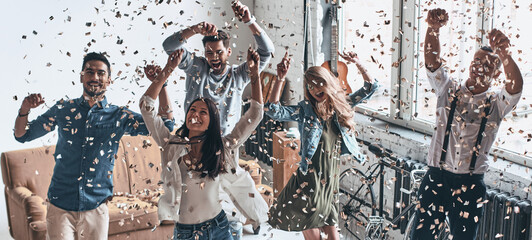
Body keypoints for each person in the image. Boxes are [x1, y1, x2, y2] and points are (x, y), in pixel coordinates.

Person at [13, 52, 175, 240]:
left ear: (109, 80)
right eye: (89, 72)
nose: (95, 77)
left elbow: (165, 126)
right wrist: (24, 109)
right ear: (81, 76)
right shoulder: (63, 110)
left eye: (101, 73)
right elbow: (22, 135)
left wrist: (161, 84)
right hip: (60, 204)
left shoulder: (118, 116)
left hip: (97, 205)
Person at [161, 1, 274, 236]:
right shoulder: (196, 67)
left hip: (225, 146)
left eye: (219, 52)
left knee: (231, 211)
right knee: (196, 203)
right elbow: (169, 46)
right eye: (209, 52)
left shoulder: (239, 74)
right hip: (193, 144)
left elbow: (266, 52)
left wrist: (249, 21)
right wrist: (195, 30)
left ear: (229, 52)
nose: (214, 57)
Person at [409, 8, 523, 240]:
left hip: (470, 185)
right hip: (436, 178)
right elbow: (432, 63)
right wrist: (432, 29)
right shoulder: (448, 90)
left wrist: (505, 56)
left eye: (488, 65)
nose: (479, 66)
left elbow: (515, 87)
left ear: (495, 75)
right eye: (477, 60)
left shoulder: (496, 104)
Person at [140, 48, 267, 240]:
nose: (195, 115)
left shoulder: (223, 147)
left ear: (212, 122)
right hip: (186, 233)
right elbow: (146, 107)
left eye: (203, 112)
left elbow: (255, 114)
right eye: (192, 110)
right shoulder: (171, 145)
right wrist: (167, 70)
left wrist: (255, 73)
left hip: (220, 227)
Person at [266, 52, 379, 240]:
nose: (315, 89)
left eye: (319, 84)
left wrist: (358, 62)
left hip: (330, 182)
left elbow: (371, 87)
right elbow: (274, 111)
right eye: (310, 86)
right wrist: (279, 79)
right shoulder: (305, 110)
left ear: (328, 83)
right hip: (309, 181)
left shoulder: (341, 106)